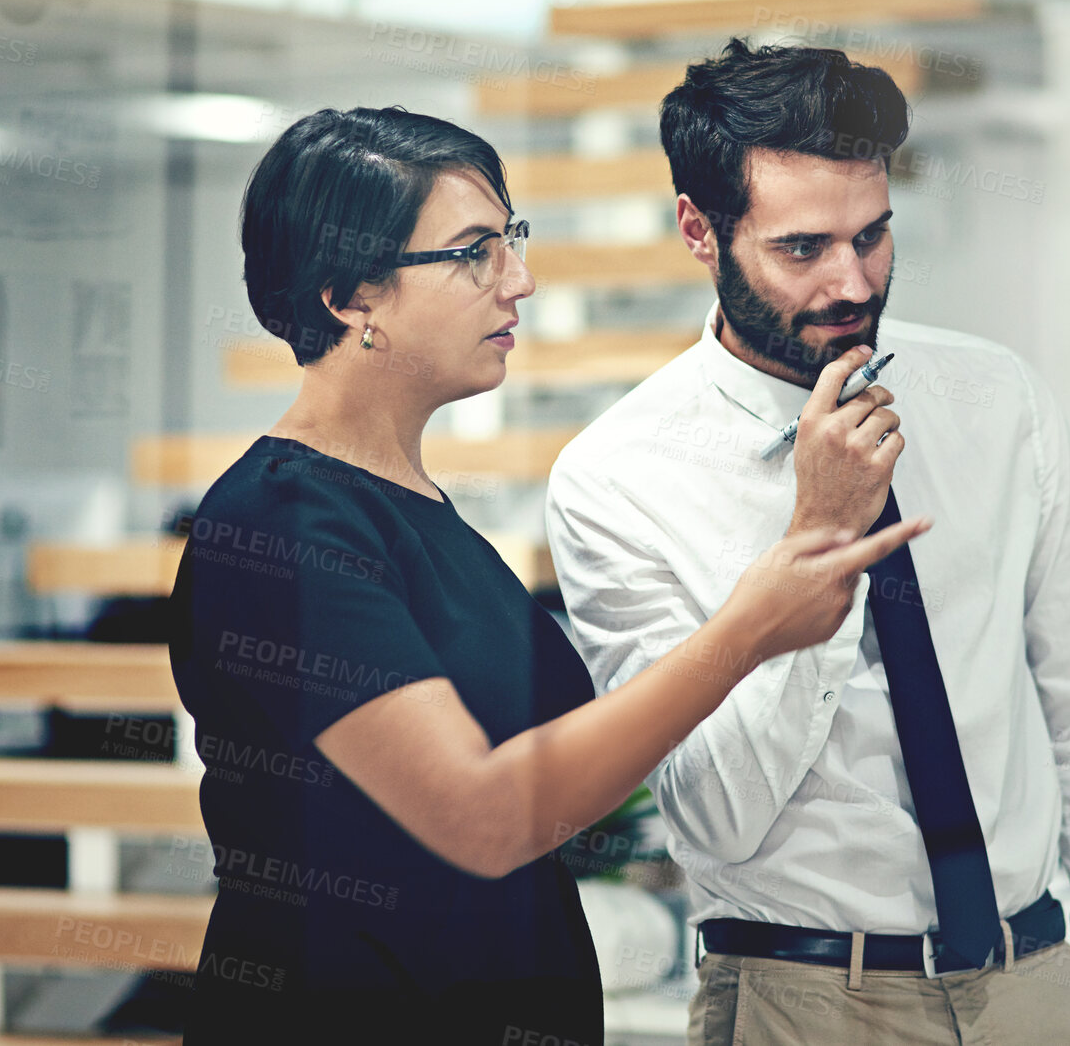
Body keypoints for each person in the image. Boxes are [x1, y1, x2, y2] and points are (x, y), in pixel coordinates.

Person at [166, 105, 927, 1044]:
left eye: (509, 241)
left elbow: (567, 779)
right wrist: (747, 630)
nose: (518, 281)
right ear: (347, 298)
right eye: (473, 252)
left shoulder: (424, 514)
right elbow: (482, 815)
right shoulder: (281, 521)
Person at [545, 41, 1070, 1045]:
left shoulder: (999, 399)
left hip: (1038, 984)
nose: (851, 281)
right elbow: (714, 817)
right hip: (806, 1001)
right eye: (802, 249)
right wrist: (823, 532)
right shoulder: (617, 478)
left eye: (872, 237)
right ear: (700, 232)